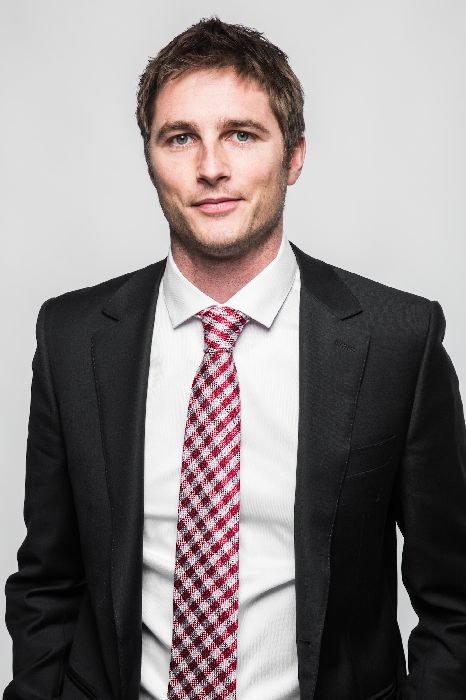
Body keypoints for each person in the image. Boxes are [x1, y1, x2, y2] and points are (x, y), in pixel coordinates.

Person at [4, 15, 466, 700]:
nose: (211, 167)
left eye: (242, 135)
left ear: (294, 156)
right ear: (150, 158)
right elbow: (47, 581)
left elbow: (454, 600)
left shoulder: (398, 339)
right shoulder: (73, 337)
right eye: (180, 137)